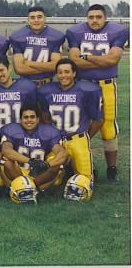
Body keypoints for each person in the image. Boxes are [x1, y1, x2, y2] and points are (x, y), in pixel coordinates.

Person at [66, 4, 129, 182]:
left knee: (108, 127)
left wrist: (86, 57)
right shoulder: (75, 32)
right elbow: (74, 62)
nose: (94, 20)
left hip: (106, 85)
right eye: (91, 17)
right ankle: (81, 163)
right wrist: (101, 61)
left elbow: (113, 59)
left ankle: (112, 168)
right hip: (83, 86)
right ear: (87, 18)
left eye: (98, 17)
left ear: (105, 18)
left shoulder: (118, 31)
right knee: (80, 125)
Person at [37, 58, 103, 190]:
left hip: (78, 139)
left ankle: (74, 168)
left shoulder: (87, 90)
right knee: (50, 180)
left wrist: (86, 137)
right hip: (57, 142)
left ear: (74, 73)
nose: (63, 76)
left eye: (67, 72)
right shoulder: (47, 91)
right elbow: (45, 117)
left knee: (85, 182)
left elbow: (98, 120)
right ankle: (65, 171)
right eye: (60, 72)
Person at [0, 104, 68, 193]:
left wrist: (47, 165)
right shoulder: (12, 130)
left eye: (32, 117)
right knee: (7, 163)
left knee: (56, 166)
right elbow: (6, 150)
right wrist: (30, 161)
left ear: (38, 119)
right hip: (18, 172)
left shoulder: (48, 132)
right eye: (26, 117)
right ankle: (25, 187)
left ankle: (28, 188)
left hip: (40, 175)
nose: (29, 120)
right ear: (20, 120)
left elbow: (63, 153)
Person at [9, 6, 65, 87]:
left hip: (48, 84)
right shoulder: (17, 37)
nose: (36, 20)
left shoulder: (56, 36)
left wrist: (29, 63)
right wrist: (46, 67)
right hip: (25, 84)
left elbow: (55, 66)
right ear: (28, 20)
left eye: (39, 17)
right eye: (32, 17)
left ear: (45, 19)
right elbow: (19, 69)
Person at [0, 55, 36, 130]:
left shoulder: (27, 87)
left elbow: (34, 117)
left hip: (21, 135)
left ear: (9, 68)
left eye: (1, 70)